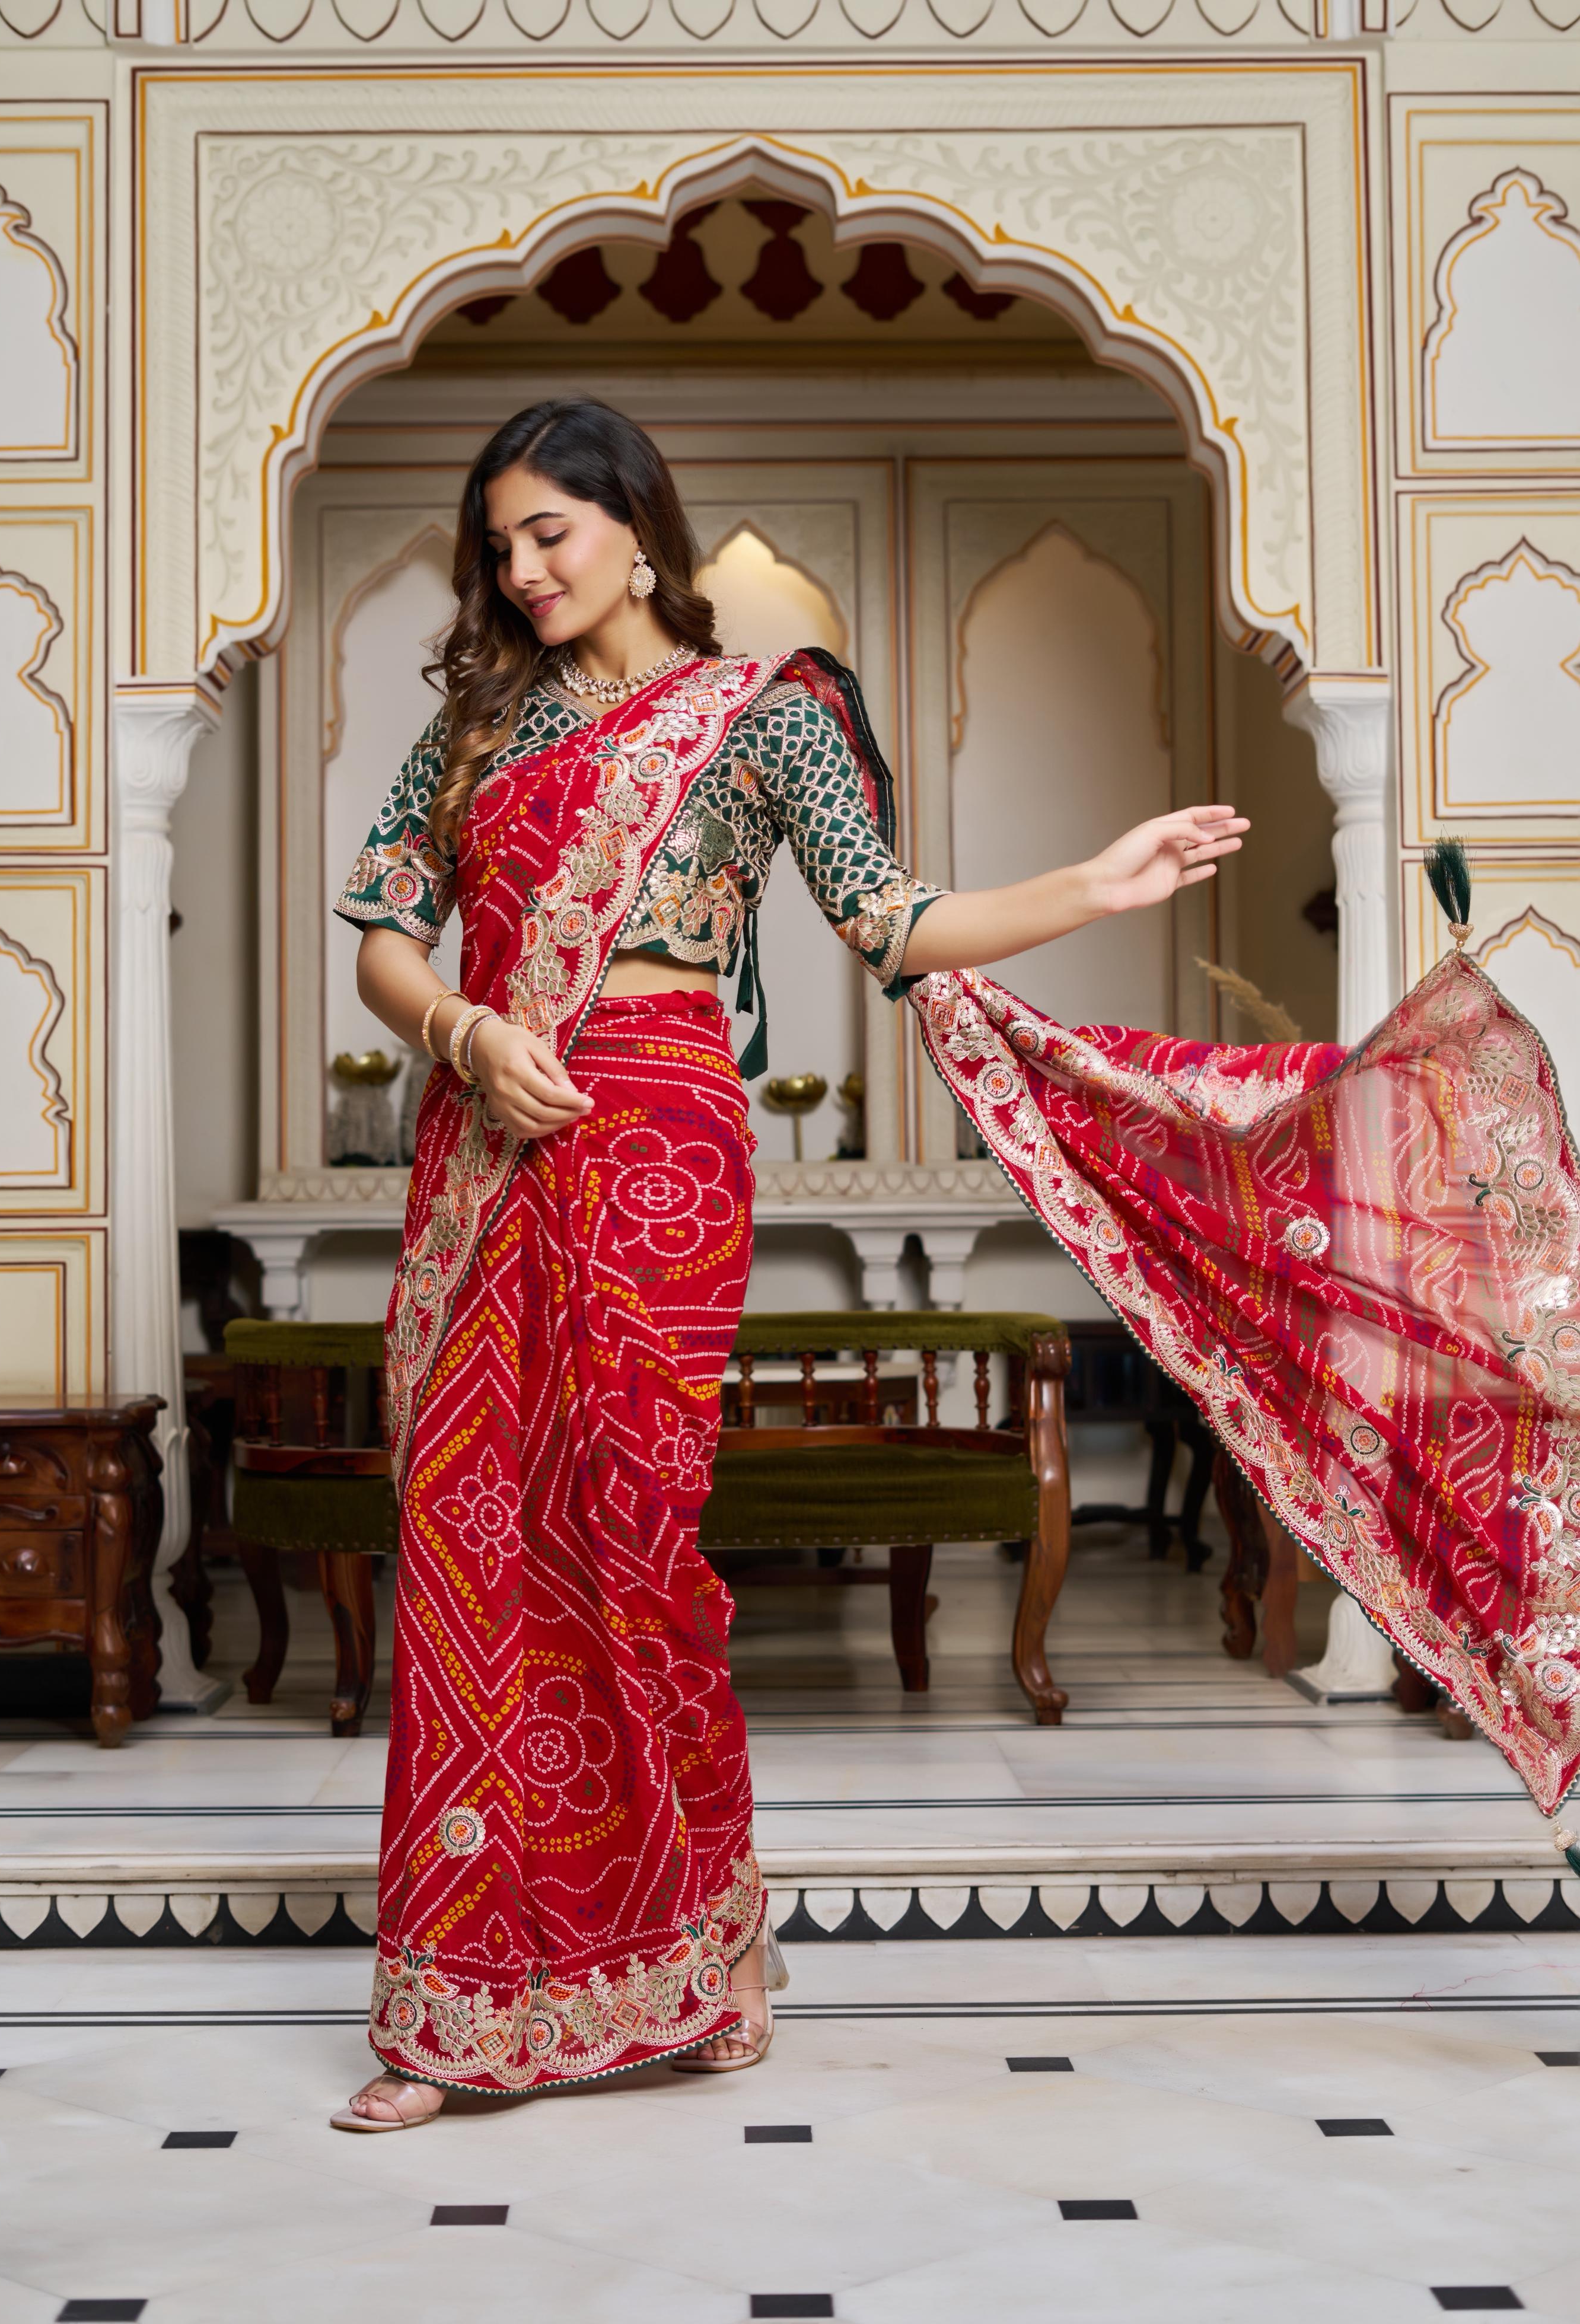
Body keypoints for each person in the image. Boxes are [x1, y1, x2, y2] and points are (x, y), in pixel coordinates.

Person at [328, 396, 1249, 2126]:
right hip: (487, 1140)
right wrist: (458, 1031)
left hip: (662, 1147)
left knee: (625, 1529)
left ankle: (712, 1927)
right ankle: (456, 2006)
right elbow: (385, 934)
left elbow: (892, 924)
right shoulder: (471, 726)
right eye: (501, 544)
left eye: (551, 533)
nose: (523, 570)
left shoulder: (776, 710)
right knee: (470, 1544)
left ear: (636, 523)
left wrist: (1095, 884)